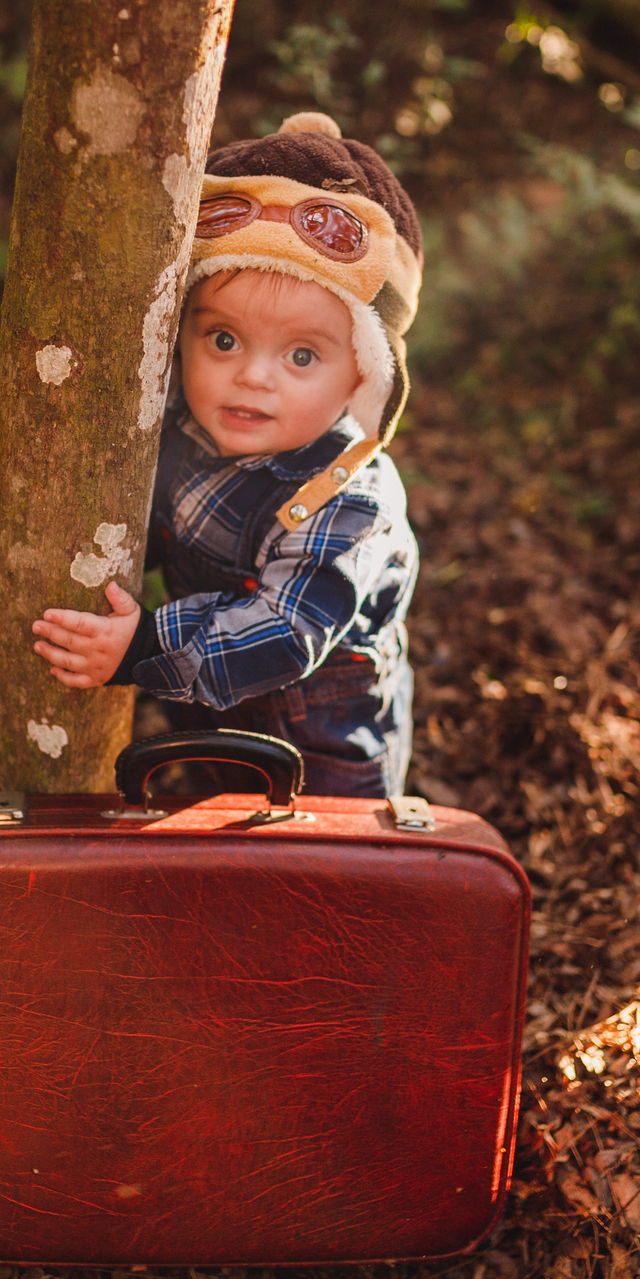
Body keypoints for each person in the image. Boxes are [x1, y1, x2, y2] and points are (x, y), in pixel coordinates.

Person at [31, 111, 424, 798]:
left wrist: (141, 647)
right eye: (223, 340)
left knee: (315, 880)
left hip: (325, 756)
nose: (254, 376)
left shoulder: (352, 502)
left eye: (301, 355)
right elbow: (155, 514)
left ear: (364, 375)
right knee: (216, 841)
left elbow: (287, 630)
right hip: (202, 709)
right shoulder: (186, 425)